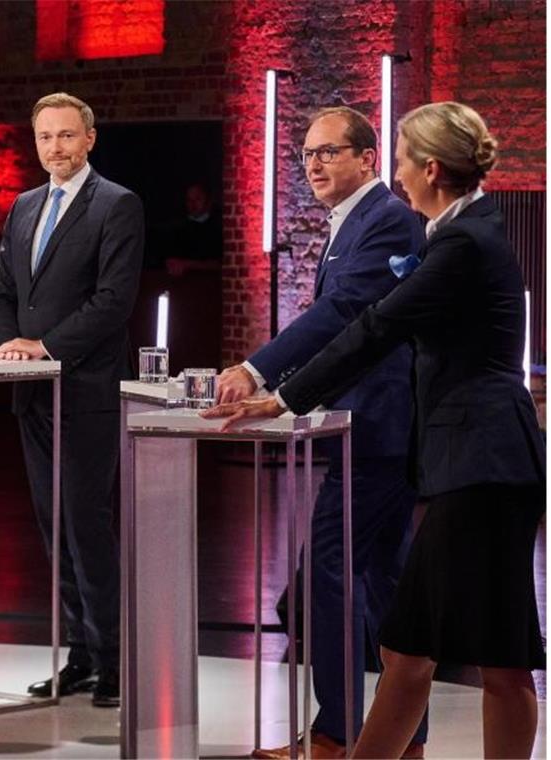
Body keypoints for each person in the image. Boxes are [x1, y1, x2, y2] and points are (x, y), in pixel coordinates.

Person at [206, 102, 545, 759]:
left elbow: (373, 325)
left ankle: (339, 742)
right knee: (418, 647)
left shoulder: (464, 241)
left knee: (470, 655)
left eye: (398, 160)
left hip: (483, 464)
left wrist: (281, 395)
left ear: (431, 168)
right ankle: (366, 747)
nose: (396, 174)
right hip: (469, 463)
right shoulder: (464, 231)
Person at [216, 106, 427, 759]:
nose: (313, 164)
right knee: (385, 579)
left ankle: (336, 735)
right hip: (367, 424)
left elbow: (343, 313)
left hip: (380, 426)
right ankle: (402, 736)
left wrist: (259, 372)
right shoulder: (350, 224)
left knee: (328, 570)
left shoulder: (387, 219)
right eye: (307, 154)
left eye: (329, 152)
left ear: (367, 158)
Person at [0, 92, 144, 707]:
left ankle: (114, 661)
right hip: (33, 395)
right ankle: (80, 655)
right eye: (45, 137)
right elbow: (2, 294)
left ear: (89, 139)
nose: (55, 147)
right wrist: (13, 351)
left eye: (66, 136)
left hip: (87, 390)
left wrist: (45, 345)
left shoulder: (117, 205)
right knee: (55, 531)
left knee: (86, 526)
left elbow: (113, 301)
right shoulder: (24, 206)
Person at [164, 182, 221, 277]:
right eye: (189, 200)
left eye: (198, 199)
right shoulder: (178, 229)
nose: (193, 204)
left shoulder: (219, 227)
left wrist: (188, 264)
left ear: (209, 201)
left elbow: (223, 264)